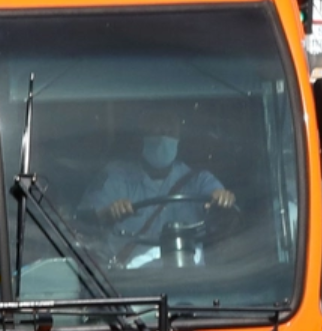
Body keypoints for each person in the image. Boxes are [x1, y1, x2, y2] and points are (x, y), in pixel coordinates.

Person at [80, 108, 235, 267]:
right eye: (155, 132)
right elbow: (85, 221)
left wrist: (222, 200)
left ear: (178, 138)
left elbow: (221, 200)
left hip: (191, 279)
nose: (162, 138)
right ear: (141, 137)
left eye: (169, 132)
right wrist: (110, 213)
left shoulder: (198, 180)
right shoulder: (115, 177)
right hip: (129, 283)